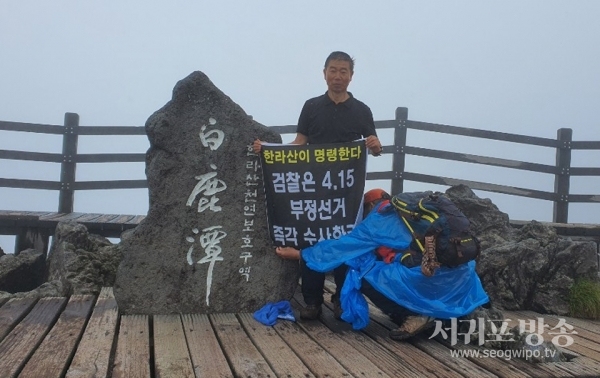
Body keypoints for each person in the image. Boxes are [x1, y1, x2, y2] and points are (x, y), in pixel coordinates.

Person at [254, 51, 383, 320]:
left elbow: (374, 147)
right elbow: (300, 143)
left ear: (351, 76)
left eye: (343, 71)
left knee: (344, 243)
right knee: (312, 240)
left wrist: (375, 145)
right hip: (312, 188)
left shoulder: (362, 110)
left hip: (346, 192)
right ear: (324, 72)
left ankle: (339, 299)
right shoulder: (311, 106)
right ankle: (312, 301)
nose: (338, 76)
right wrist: (268, 151)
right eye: (333, 70)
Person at [275, 188, 490, 341]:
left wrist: (299, 254)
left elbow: (342, 246)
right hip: (462, 279)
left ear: (369, 205)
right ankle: (454, 314)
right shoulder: (415, 212)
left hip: (427, 277)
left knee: (364, 274)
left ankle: (414, 314)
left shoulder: (379, 218)